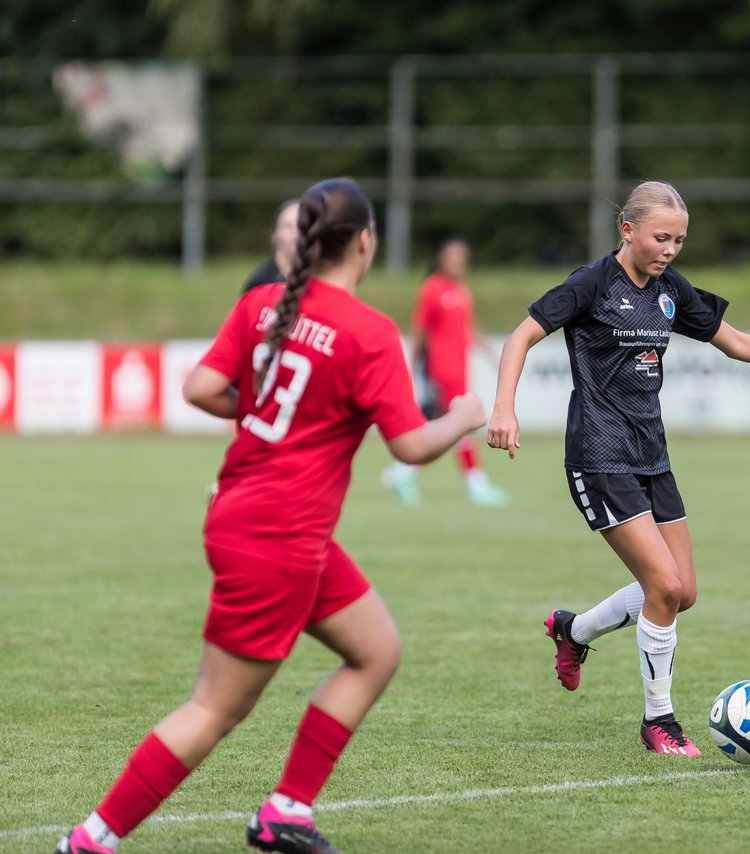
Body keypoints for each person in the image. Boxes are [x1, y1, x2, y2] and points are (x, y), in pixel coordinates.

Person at [56, 178, 486, 854]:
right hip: (279, 538)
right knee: (213, 709)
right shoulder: (368, 332)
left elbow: (200, 387)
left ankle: (287, 810)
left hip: (248, 517)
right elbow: (409, 445)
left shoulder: (263, 302)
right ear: (366, 241)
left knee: (376, 651)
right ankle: (90, 840)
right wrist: (462, 417)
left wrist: (263, 412)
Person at [486, 180, 750, 755]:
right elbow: (521, 336)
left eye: (679, 240)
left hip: (651, 457)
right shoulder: (591, 284)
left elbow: (732, 341)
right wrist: (504, 406)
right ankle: (658, 721)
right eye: (661, 237)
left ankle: (573, 629)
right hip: (600, 457)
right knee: (661, 585)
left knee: (682, 593)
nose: (669, 250)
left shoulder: (669, 289)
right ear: (627, 230)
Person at [381, 238, 508, 507]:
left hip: (460, 367)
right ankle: (476, 483)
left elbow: (467, 329)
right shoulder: (433, 288)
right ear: (440, 259)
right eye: (453, 256)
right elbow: (419, 330)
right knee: (461, 424)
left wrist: (491, 354)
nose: (458, 261)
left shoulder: (461, 290)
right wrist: (411, 367)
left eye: (462, 256)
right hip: (442, 369)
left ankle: (402, 473)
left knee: (451, 427)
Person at [242, 199, 300, 294]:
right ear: (274, 235)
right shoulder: (260, 283)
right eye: (288, 226)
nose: (296, 234)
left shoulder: (323, 277)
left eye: (302, 225)